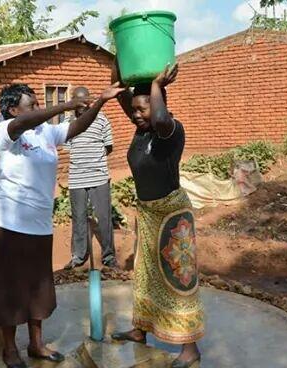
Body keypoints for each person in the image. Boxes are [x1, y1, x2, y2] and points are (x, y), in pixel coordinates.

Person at [0, 82, 124, 368]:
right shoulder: (5, 131)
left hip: (38, 223)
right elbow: (25, 121)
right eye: (32, 104)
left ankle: (36, 344)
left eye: (38, 103)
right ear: (13, 109)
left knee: (37, 287)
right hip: (7, 222)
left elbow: (77, 127)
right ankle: (10, 349)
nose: (37, 108)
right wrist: (65, 106)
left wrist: (99, 101)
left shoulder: (46, 132)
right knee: (9, 287)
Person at [110, 63, 205, 368]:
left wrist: (156, 84)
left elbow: (160, 117)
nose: (137, 115)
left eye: (143, 109)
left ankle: (189, 348)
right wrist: (121, 56)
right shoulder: (142, 128)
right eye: (135, 110)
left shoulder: (170, 130)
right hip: (149, 213)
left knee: (178, 278)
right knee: (146, 273)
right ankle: (140, 330)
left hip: (172, 214)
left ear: (159, 102)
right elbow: (117, 86)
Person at [63, 86, 117, 270]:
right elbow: (69, 149)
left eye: (85, 100)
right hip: (76, 179)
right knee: (78, 218)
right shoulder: (68, 122)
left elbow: (108, 147)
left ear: (89, 100)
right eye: (77, 100)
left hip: (99, 177)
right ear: (73, 102)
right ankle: (78, 256)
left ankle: (109, 257)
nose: (81, 104)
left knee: (104, 218)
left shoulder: (101, 119)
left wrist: (95, 163)